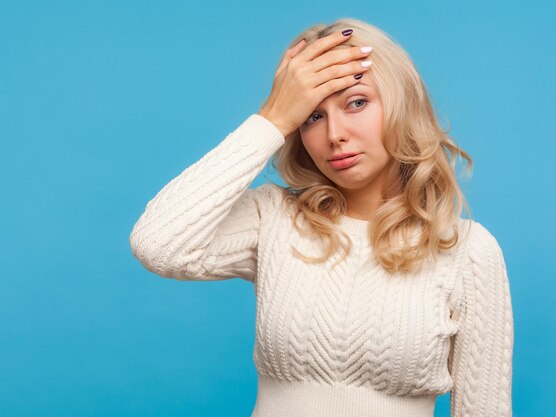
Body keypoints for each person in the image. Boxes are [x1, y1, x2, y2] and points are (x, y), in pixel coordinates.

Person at [129, 17, 514, 417]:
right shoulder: (274, 219)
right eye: (312, 116)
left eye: (357, 103)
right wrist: (273, 118)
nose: (334, 134)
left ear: (402, 105)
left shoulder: (466, 251)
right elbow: (158, 244)